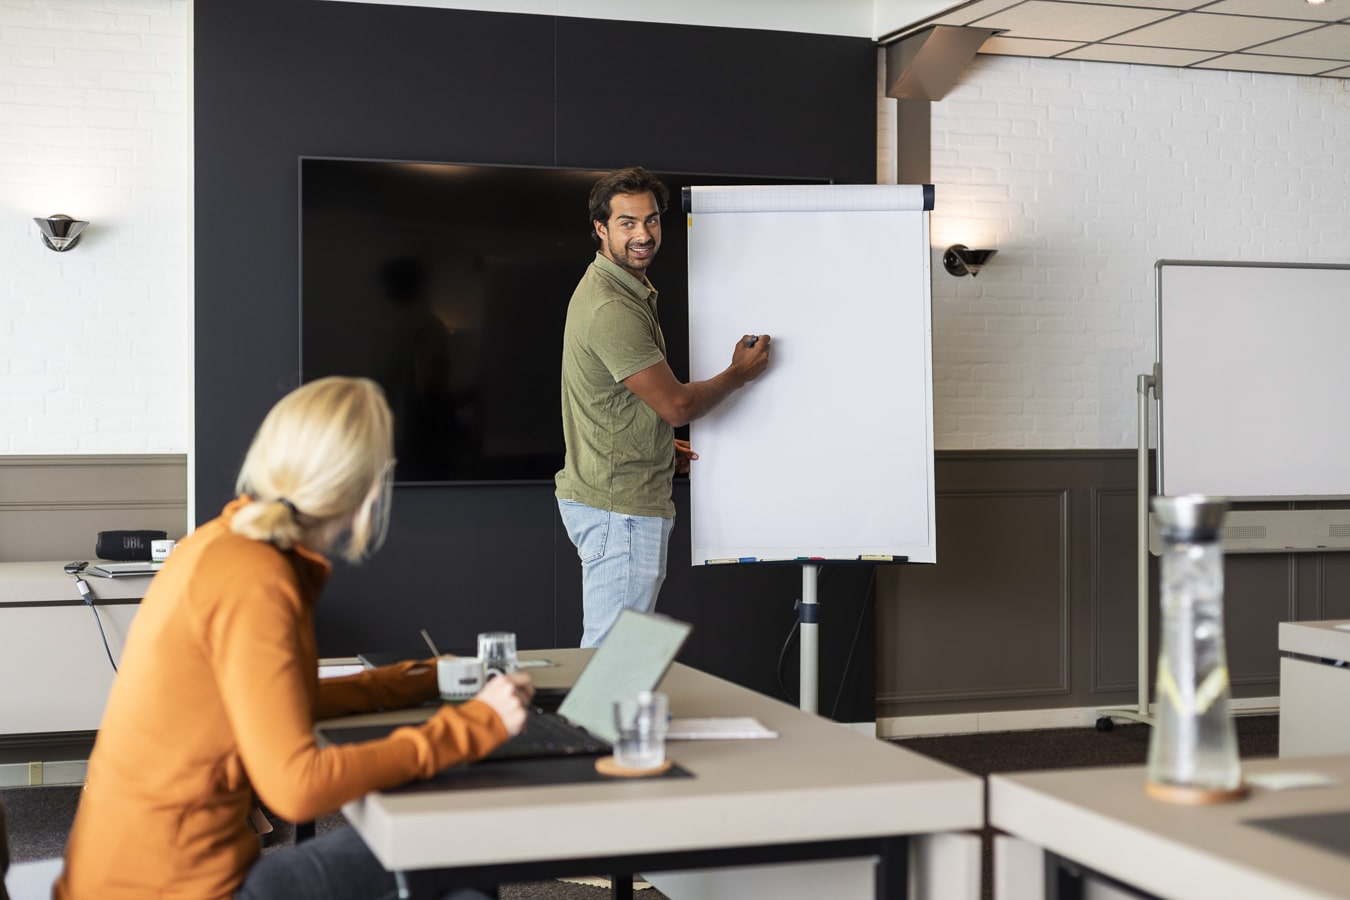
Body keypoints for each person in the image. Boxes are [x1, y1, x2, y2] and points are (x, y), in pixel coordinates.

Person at [55, 376, 533, 900]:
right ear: (368, 487)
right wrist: (474, 727)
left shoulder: (222, 544)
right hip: (179, 889)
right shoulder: (255, 578)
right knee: (454, 845)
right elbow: (297, 786)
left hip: (130, 877)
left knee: (446, 854)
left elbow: (275, 703)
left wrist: (411, 682)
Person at [555, 166, 772, 648]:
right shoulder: (612, 307)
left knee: (616, 654)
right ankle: (591, 728)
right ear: (601, 229)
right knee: (610, 659)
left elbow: (619, 399)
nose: (643, 234)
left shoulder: (625, 290)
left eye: (651, 221)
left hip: (616, 498)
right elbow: (675, 405)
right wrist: (739, 373)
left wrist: (652, 443)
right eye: (627, 223)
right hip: (620, 508)